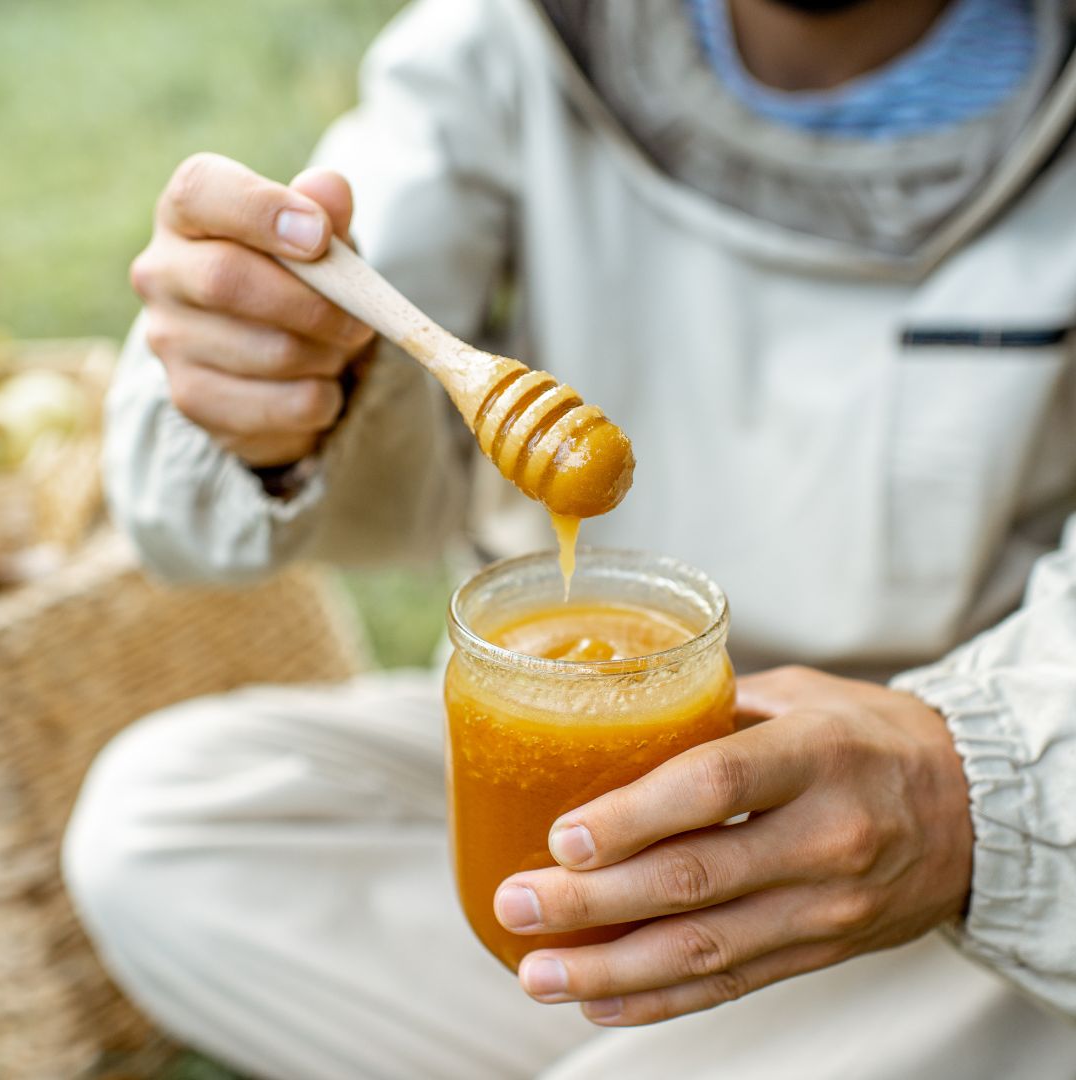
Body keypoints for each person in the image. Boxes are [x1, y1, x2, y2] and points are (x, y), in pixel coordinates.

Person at [64, 0, 1076, 1076]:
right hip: (568, 776)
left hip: (952, 787)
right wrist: (269, 384)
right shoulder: (502, 44)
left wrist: (970, 788)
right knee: (162, 824)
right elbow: (199, 501)